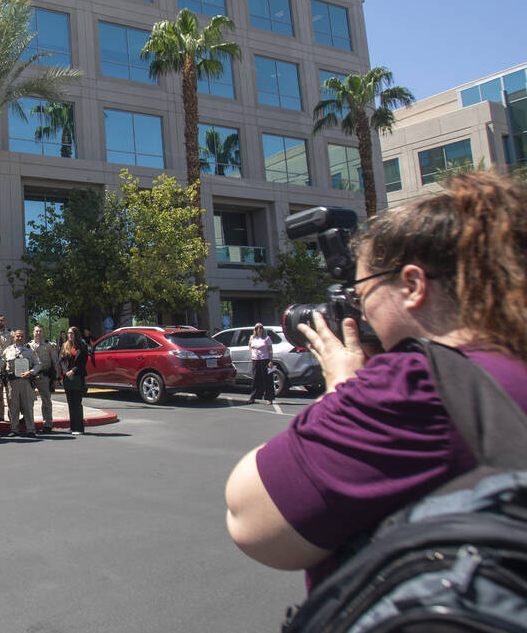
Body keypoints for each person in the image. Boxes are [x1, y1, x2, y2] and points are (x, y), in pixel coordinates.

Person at [224, 171, 527, 589]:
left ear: (412, 284)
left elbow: (250, 519)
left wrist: (343, 388)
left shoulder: (416, 385)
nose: (358, 311)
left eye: (361, 291)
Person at [3, 329, 42, 436]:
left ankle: (30, 429)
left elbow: (38, 364)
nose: (19, 338)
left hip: (26, 382)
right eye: (17, 336)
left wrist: (31, 372)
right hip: (13, 383)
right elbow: (2, 365)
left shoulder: (30, 351)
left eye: (21, 336)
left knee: (28, 406)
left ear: (24, 338)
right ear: (13, 338)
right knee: (13, 407)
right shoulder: (7, 350)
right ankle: (14, 429)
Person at [59, 326, 90, 435]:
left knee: (77, 403)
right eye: (68, 333)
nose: (70, 335)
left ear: (76, 334)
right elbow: (62, 360)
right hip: (68, 377)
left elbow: (83, 362)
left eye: (72, 333)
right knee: (70, 402)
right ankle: (72, 427)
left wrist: (73, 371)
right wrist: (67, 372)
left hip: (78, 377)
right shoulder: (64, 346)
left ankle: (79, 428)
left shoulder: (82, 346)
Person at [30, 325, 59, 432]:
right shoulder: (28, 346)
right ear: (33, 333)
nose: (38, 333)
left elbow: (55, 362)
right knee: (28, 401)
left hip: (44, 376)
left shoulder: (49, 346)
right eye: (36, 331)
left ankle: (48, 423)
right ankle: (29, 422)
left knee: (46, 400)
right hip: (31, 377)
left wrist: (56, 378)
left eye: (40, 331)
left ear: (43, 333)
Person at [246, 323, 275, 405]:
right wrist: (252, 352)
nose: (259, 329)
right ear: (255, 329)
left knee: (267, 379)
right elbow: (249, 346)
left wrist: (271, 360)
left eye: (261, 328)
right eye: (257, 328)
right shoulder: (252, 337)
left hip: (265, 360)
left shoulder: (266, 338)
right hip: (256, 360)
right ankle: (253, 397)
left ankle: (269, 398)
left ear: (263, 329)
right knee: (256, 379)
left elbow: (270, 350)